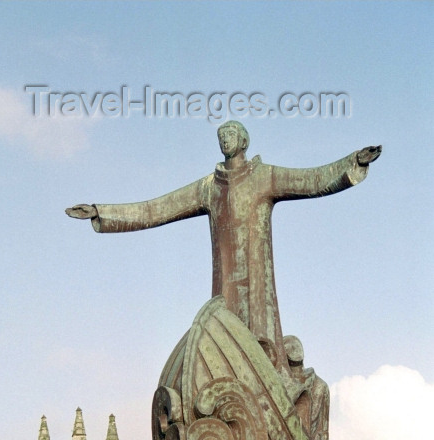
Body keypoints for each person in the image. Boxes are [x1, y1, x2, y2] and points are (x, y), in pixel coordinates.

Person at [66, 121, 381, 371]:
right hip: (226, 279)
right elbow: (156, 209)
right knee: (224, 342)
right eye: (221, 135)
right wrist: (102, 212)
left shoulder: (265, 176)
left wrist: (352, 163)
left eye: (231, 133)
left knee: (261, 341)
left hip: (258, 282)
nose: (225, 139)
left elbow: (313, 180)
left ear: (243, 141)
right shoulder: (209, 186)